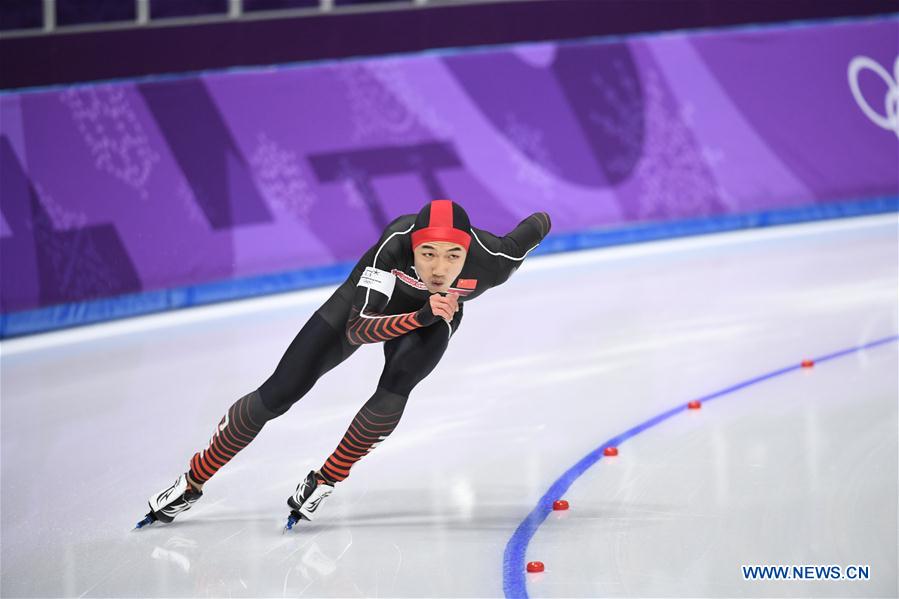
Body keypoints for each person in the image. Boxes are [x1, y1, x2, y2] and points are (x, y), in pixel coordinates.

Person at [136, 199, 551, 529]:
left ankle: (327, 479)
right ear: (414, 246)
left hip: (435, 318)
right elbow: (358, 330)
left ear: (468, 252)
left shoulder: (495, 259)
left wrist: (545, 218)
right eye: (427, 254)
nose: (439, 269)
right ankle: (192, 481)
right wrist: (422, 314)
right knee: (279, 392)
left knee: (395, 389)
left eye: (451, 256)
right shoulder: (394, 244)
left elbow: (536, 225)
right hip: (366, 310)